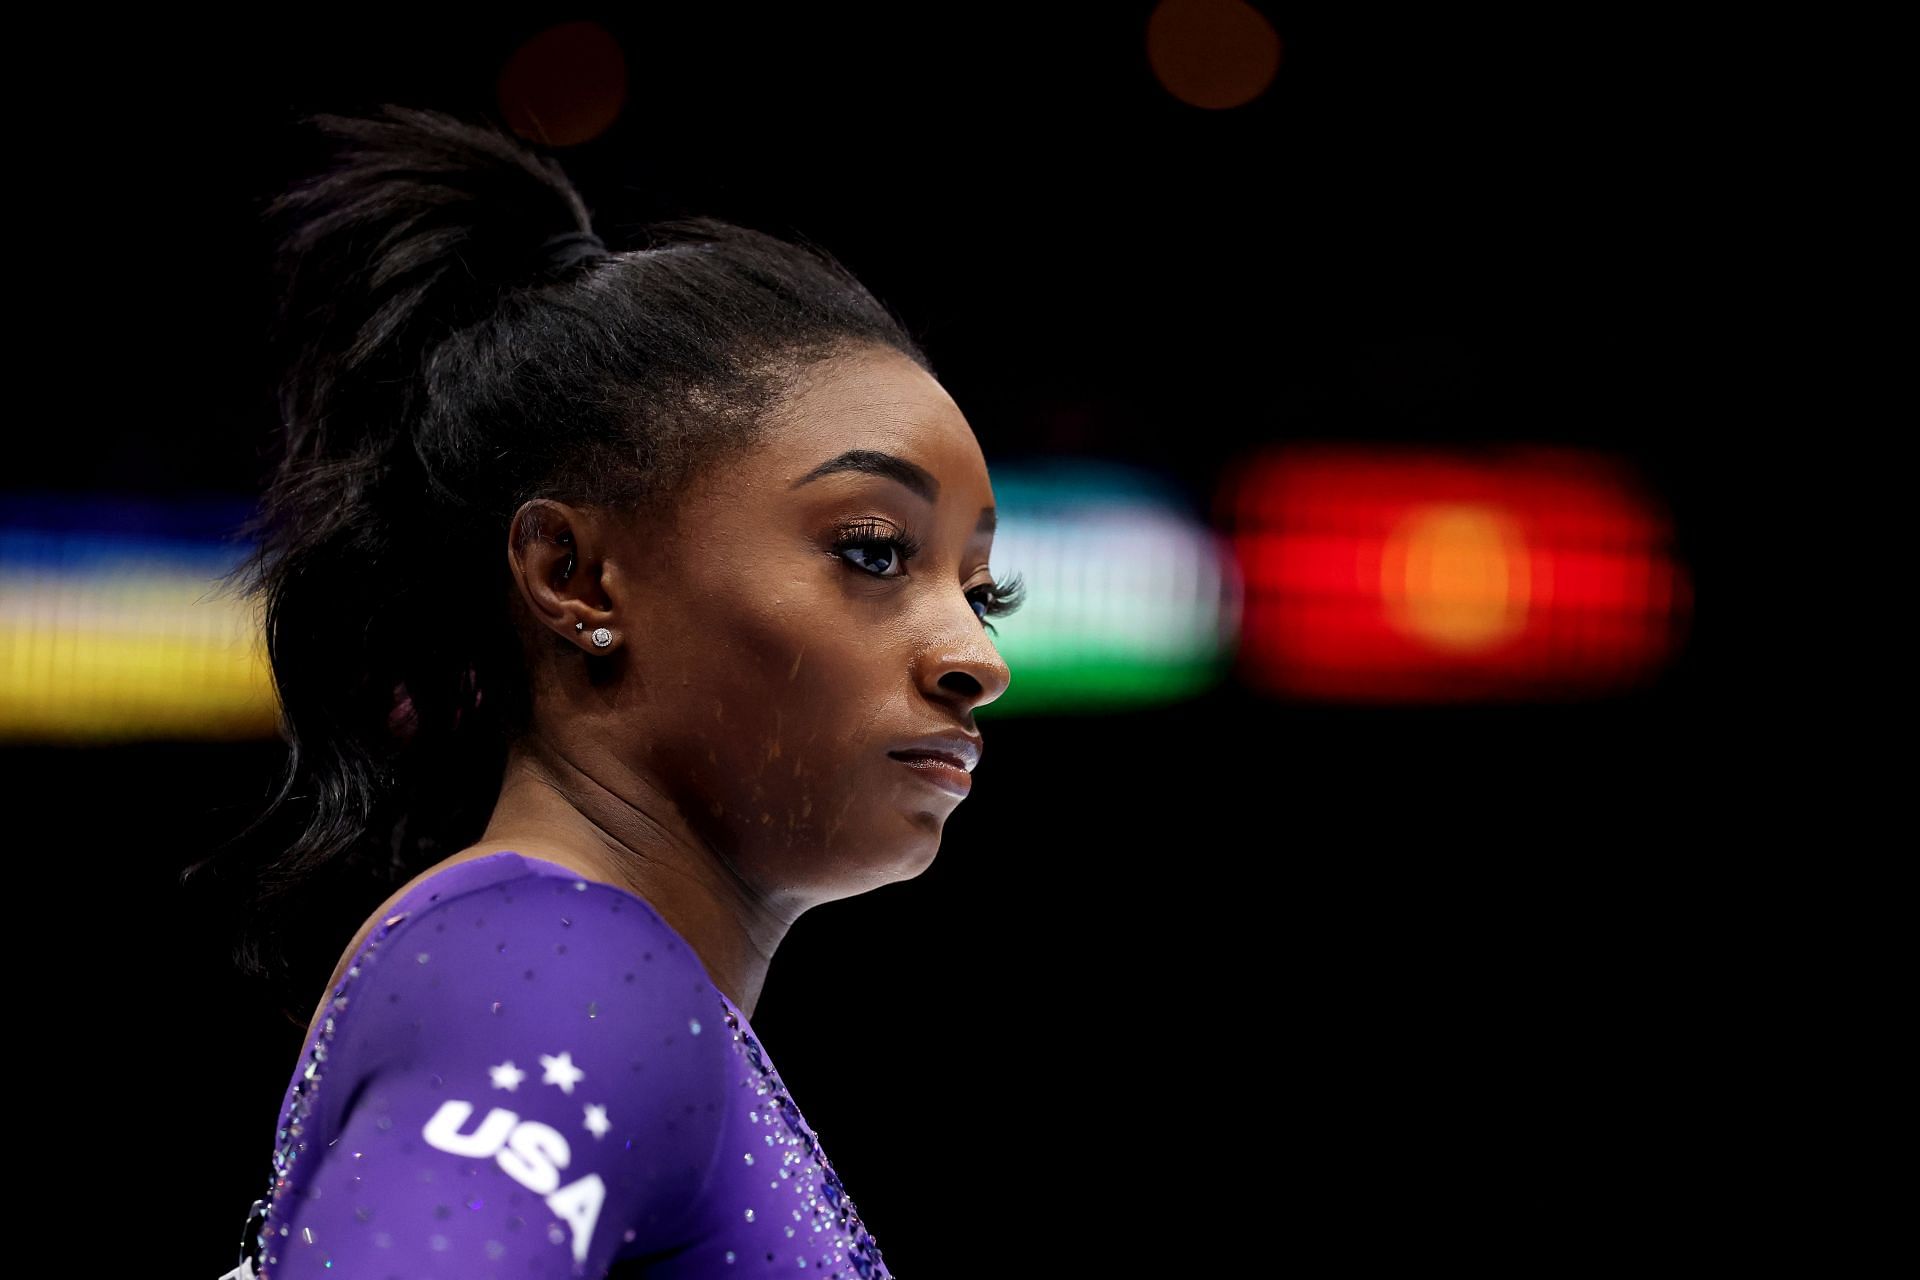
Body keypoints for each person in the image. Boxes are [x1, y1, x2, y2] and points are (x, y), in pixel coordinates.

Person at [199, 102, 1022, 1279]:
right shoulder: (556, 968)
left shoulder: (600, 983)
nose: (976, 656)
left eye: (985, 589)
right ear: (573, 576)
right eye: (874, 550)